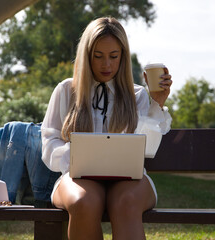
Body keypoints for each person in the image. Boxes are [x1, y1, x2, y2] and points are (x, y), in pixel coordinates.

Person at [41, 16, 172, 240]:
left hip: (128, 181)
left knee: (126, 201)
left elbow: (147, 149)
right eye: (98, 56)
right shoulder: (66, 90)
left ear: (123, 56)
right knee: (83, 202)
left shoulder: (137, 94)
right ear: (86, 56)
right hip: (77, 178)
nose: (106, 65)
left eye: (114, 56)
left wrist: (157, 103)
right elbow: (49, 144)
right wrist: (79, 156)